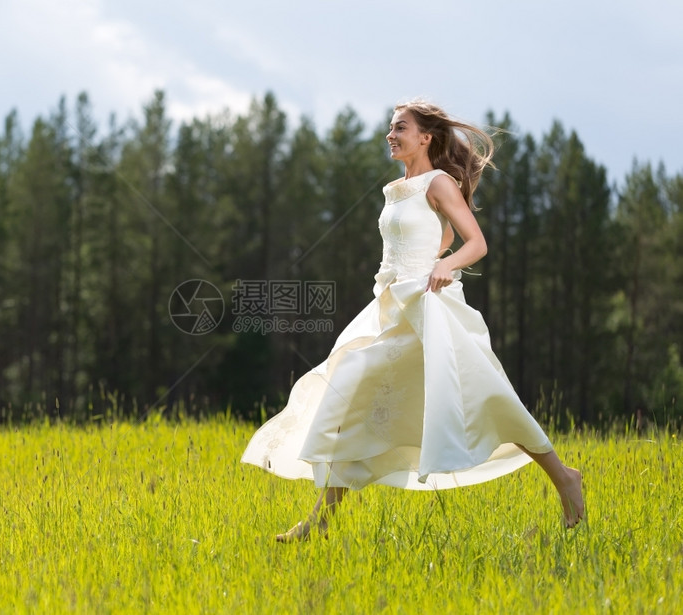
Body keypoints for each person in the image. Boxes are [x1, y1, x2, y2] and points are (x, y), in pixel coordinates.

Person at [240, 99, 585, 541]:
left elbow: (475, 242)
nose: (391, 134)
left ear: (426, 137)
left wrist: (445, 266)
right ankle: (320, 521)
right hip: (391, 307)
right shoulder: (399, 188)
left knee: (487, 399)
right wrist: (433, 255)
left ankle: (563, 477)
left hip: (428, 307)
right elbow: (435, 235)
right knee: (351, 395)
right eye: (390, 127)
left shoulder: (438, 183)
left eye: (400, 127)